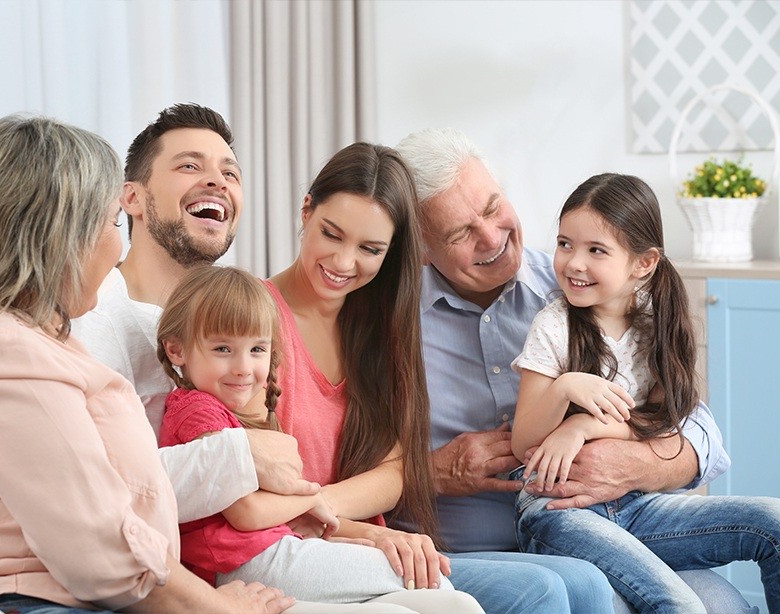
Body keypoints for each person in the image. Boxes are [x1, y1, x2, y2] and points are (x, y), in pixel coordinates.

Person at [0, 115, 292, 613]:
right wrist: (222, 609)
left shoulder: (36, 339)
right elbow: (102, 555)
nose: (115, 245)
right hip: (21, 598)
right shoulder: (3, 352)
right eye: (111, 223)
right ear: (59, 236)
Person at [394, 127, 754, 613]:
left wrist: (632, 461)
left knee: (723, 602)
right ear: (418, 247)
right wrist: (429, 473)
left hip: (616, 524)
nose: (491, 237)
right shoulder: (389, 327)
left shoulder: (585, 288)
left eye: (492, 207)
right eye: (461, 233)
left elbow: (701, 435)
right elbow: (337, 472)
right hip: (474, 556)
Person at [261, 141, 598, 613]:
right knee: (542, 591)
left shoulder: (371, 325)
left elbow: (391, 470)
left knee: (586, 584)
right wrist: (371, 518)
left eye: (370, 248)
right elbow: (254, 483)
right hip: (310, 542)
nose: (343, 263)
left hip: (363, 531)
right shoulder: (261, 320)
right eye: (331, 234)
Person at [510, 173, 780, 612]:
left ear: (644, 262)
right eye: (565, 244)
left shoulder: (658, 324)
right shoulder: (554, 325)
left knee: (774, 522)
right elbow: (524, 443)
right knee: (679, 603)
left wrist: (584, 425)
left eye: (596, 250)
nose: (574, 263)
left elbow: (663, 421)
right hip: (559, 512)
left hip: (639, 508)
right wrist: (564, 390)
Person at [154, 264, 483, 612]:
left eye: (256, 350)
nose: (243, 368)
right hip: (241, 562)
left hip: (276, 549)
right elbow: (247, 514)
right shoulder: (196, 410)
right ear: (177, 350)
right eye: (223, 349)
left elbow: (286, 518)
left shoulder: (239, 414)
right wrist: (313, 500)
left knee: (451, 602)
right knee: (427, 584)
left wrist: (352, 526)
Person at [72, 103, 320, 527]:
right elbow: (91, 489)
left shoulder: (244, 318)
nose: (216, 182)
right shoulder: (88, 319)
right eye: (189, 166)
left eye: (231, 173)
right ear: (131, 198)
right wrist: (241, 456)